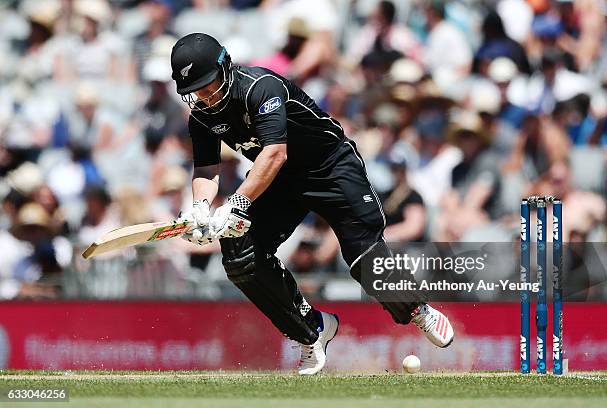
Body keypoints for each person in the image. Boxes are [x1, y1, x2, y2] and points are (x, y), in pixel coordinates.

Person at [170, 33, 454, 375]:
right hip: (281, 181)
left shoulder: (261, 87)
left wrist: (235, 205)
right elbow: (206, 167)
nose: (205, 96)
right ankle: (312, 330)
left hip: (330, 168)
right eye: (196, 91)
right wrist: (201, 207)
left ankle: (417, 310)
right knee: (240, 253)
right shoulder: (201, 113)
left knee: (362, 256)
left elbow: (275, 153)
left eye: (209, 85)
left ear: (225, 66)